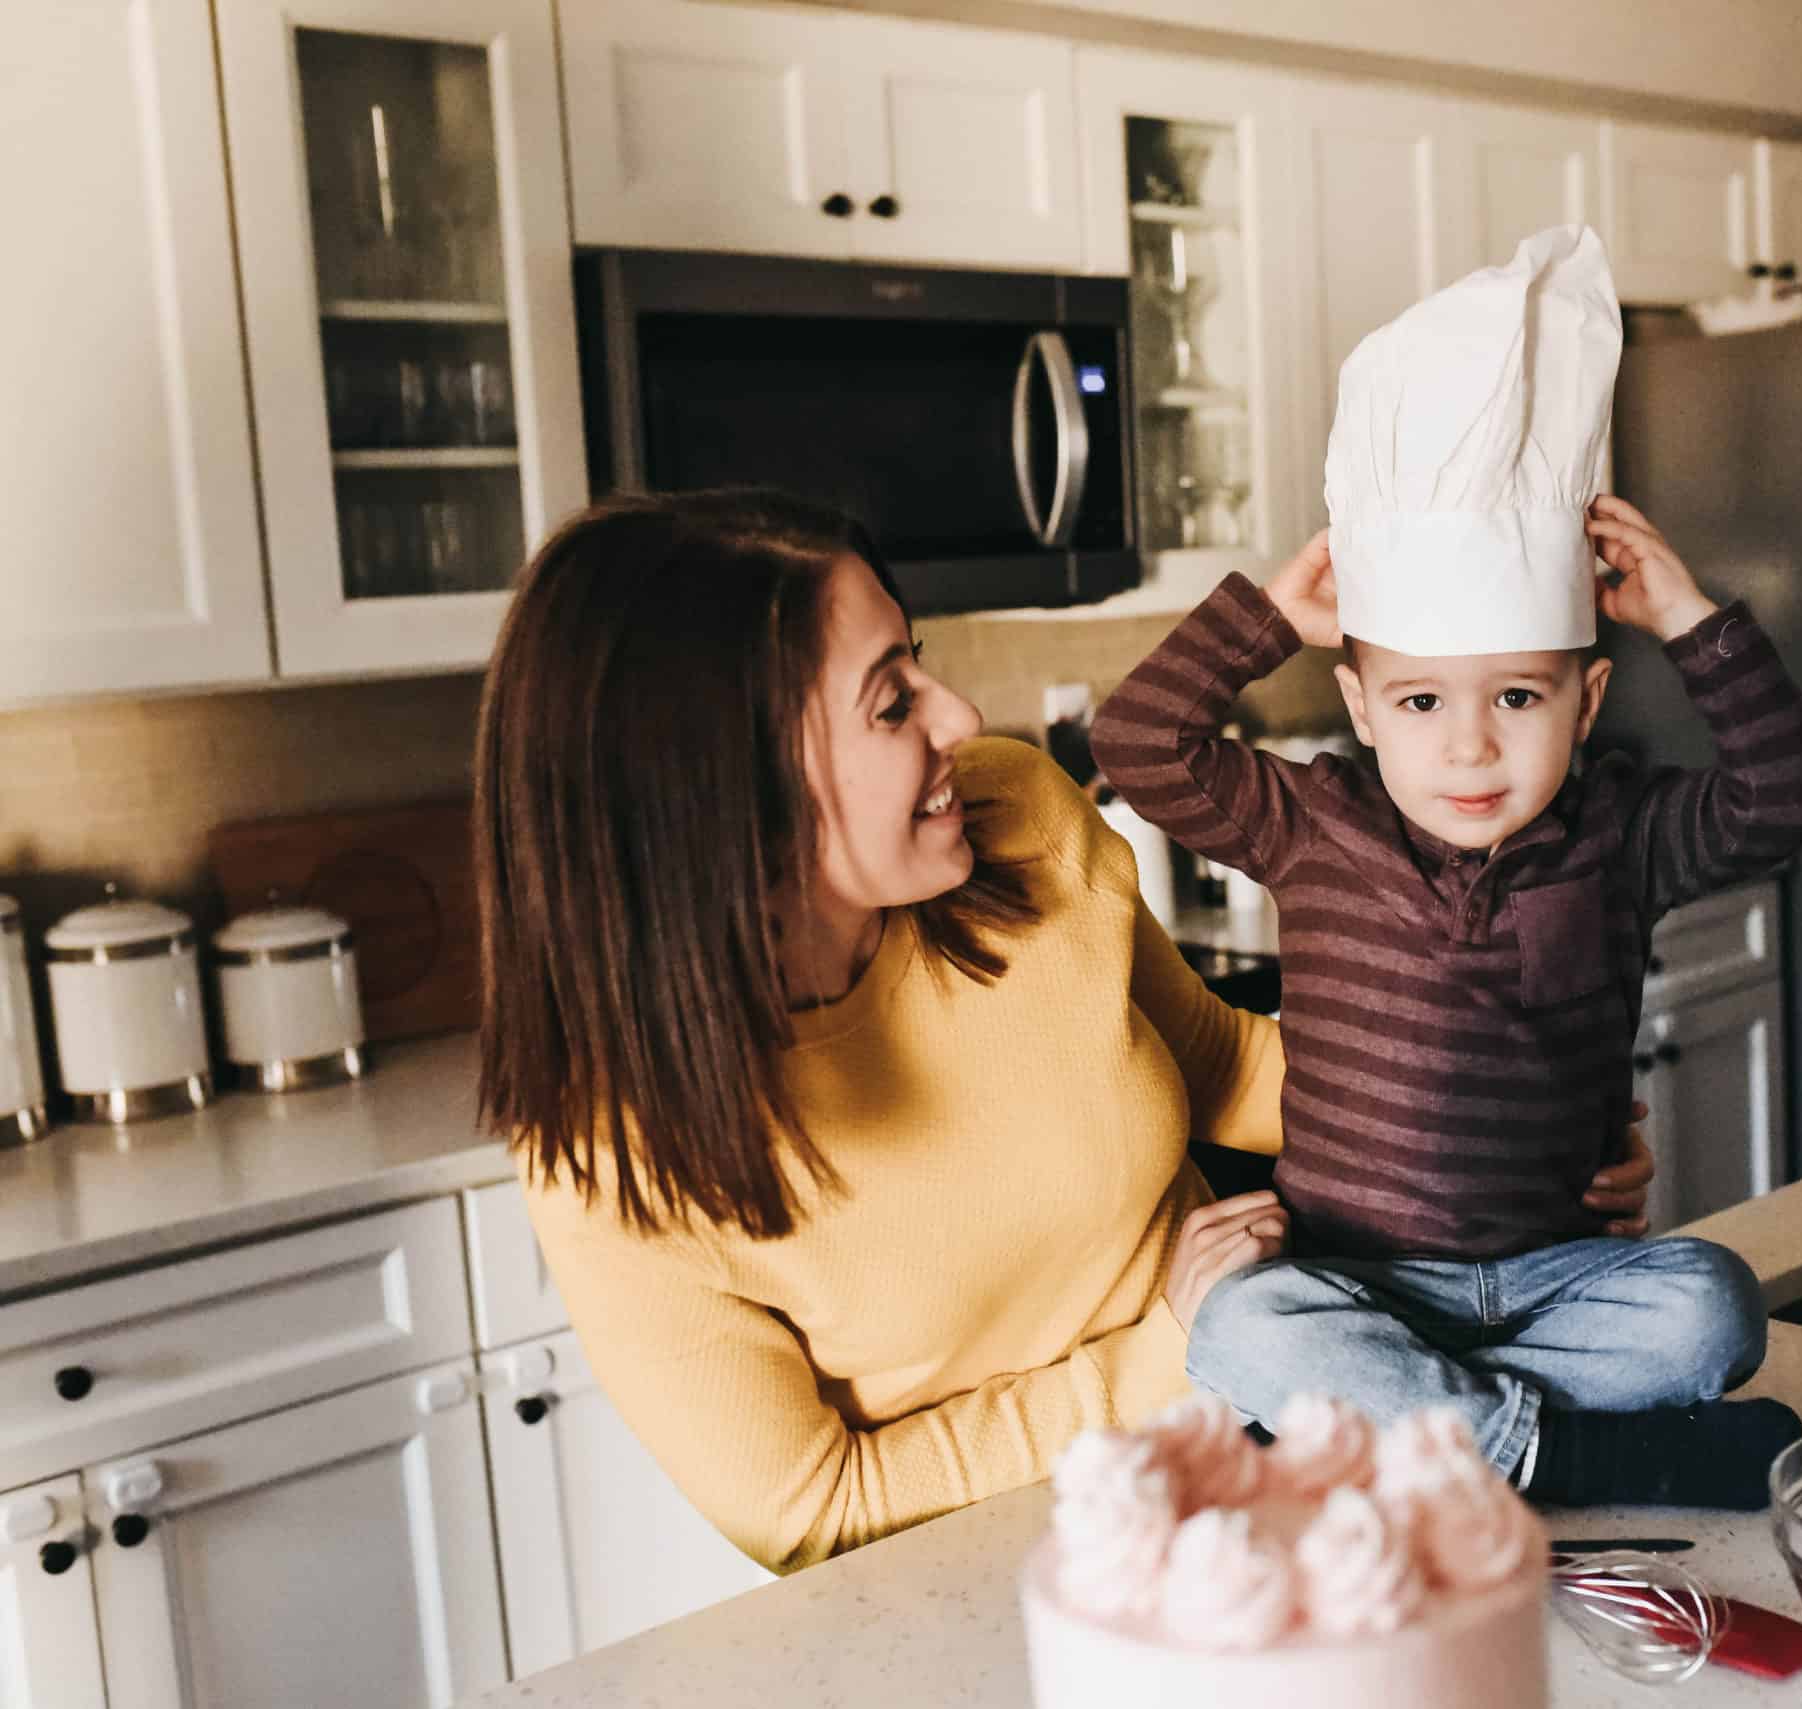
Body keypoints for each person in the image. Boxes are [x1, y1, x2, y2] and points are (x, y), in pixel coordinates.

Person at [471, 487, 1658, 1571]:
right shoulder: (608, 1154)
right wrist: (1177, 1345)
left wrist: (1514, 1120)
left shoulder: (1015, 816)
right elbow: (814, 1507)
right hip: (1002, 1581)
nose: (962, 715)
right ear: (724, 793)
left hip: (1288, 1459)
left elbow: (1217, 1063)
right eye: (893, 701)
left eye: (919, 663)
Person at [1091, 228, 1802, 1509]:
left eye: (1518, 696)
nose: (1471, 743)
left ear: (1590, 696)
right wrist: (1262, 617)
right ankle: (1562, 1454)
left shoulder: (1623, 832)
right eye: (1423, 699)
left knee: (1710, 1306)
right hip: (1359, 1279)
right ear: (1362, 705)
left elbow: (1786, 794)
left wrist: (1696, 624)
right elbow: (1136, 744)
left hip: (1556, 1275)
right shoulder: (1309, 822)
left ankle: (1407, 1427)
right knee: (1240, 1327)